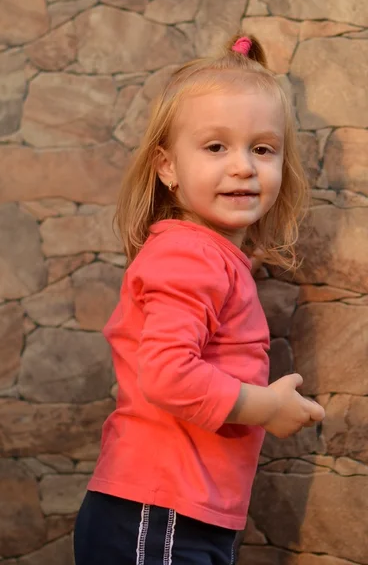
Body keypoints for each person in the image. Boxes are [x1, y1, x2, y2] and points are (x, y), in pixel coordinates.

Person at [74, 34, 325, 565]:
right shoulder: (190, 257)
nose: (243, 167)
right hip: (159, 509)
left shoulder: (207, 255)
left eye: (262, 148)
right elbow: (167, 374)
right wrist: (266, 407)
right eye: (216, 147)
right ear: (167, 167)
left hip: (178, 510)